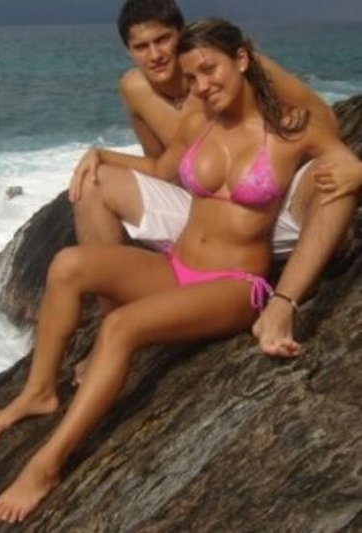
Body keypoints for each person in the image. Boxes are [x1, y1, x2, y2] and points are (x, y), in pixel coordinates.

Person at [0, 19, 359, 523]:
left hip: (234, 285)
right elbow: (162, 172)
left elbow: (343, 167)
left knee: (120, 326)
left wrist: (357, 171)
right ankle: (40, 391)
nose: (202, 85)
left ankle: (45, 466)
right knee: (68, 264)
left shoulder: (291, 126)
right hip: (177, 266)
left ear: (241, 60)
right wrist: (101, 155)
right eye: (192, 78)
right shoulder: (199, 121)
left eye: (210, 70)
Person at [70, 0, 356, 363]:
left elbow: (323, 122)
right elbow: (160, 165)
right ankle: (107, 333)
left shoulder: (235, 66)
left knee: (334, 175)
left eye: (163, 40)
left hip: (264, 203)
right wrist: (101, 155)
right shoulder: (134, 88)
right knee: (91, 182)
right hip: (203, 214)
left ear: (181, 34)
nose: (155, 55)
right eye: (141, 46)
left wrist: (290, 125)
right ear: (128, 50)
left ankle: (284, 304)